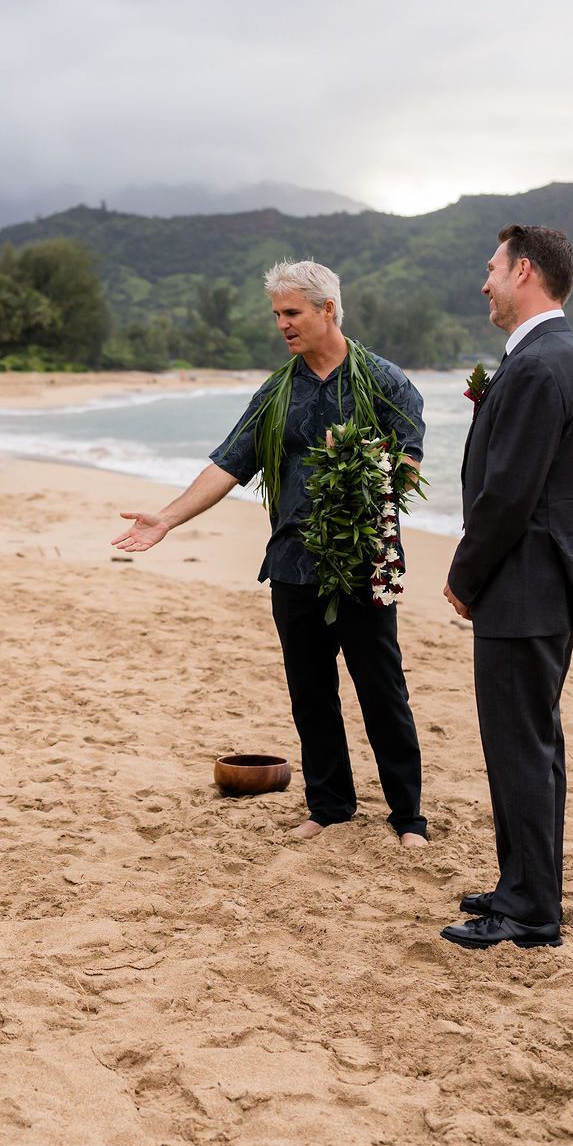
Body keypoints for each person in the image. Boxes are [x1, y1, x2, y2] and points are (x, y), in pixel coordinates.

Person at [113, 261, 430, 846]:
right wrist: (168, 517)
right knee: (310, 694)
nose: (282, 325)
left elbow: (408, 467)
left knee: (382, 689)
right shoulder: (277, 391)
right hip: (290, 564)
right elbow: (230, 464)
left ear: (327, 310)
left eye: (293, 313)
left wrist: (360, 464)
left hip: (362, 564)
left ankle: (407, 816)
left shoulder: (386, 381)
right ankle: (329, 806)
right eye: (278, 315)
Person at [439, 225, 573, 949]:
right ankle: (520, 882)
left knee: (521, 749)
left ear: (525, 271)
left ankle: (533, 909)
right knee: (527, 745)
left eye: (492, 268)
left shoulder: (542, 365)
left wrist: (463, 572)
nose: (485, 283)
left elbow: (511, 494)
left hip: (525, 582)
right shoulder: (552, 355)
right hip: (536, 581)